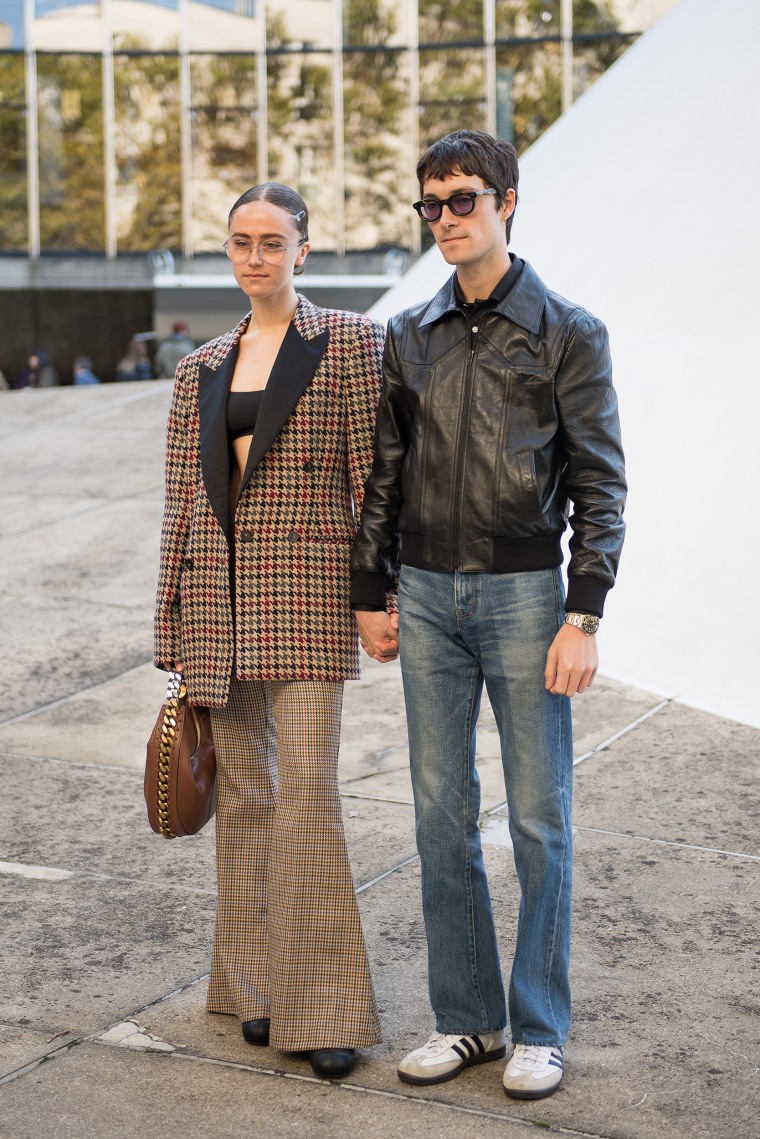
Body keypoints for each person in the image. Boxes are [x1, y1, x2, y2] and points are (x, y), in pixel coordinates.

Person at [351, 130, 626, 1100]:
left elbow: (600, 481)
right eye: (429, 205)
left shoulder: (565, 329)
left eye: (461, 199)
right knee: (439, 816)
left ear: (507, 201)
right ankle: (465, 1017)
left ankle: (539, 1026)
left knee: (539, 817)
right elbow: (387, 472)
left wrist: (580, 613)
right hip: (423, 597)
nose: (444, 220)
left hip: (521, 597)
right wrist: (368, 590)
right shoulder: (409, 332)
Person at [154, 182, 386, 1080]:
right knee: (245, 796)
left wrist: (378, 595)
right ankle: (256, 987)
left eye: (273, 241)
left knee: (309, 798)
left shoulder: (352, 344)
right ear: (229, 252)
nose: (256, 256)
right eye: (241, 242)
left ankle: (324, 1005)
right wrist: (170, 619)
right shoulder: (199, 365)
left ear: (304, 251)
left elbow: (374, 485)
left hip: (310, 598)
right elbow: (182, 504)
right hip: (218, 604)